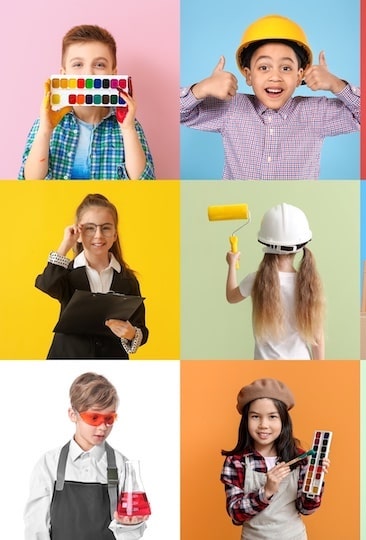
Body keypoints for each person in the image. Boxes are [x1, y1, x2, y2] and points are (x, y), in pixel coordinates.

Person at [180, 14, 361, 180]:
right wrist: (202, 88)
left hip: (294, 211)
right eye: (264, 67)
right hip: (241, 209)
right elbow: (179, 113)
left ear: (299, 76)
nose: (275, 77)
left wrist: (336, 85)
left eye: (286, 68)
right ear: (248, 75)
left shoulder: (315, 112)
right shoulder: (231, 108)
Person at [19, 24, 154, 180]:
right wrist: (45, 130)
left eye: (99, 65)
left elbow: (145, 185)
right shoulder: (45, 124)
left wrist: (128, 129)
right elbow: (29, 186)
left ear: (113, 74)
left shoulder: (129, 126)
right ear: (63, 74)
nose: (88, 73)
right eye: (78, 65)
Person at [25, 372, 149, 539]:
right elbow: (36, 529)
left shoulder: (121, 466)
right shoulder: (49, 464)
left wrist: (131, 526)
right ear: (73, 415)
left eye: (109, 418)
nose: (103, 427)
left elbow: (131, 533)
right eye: (94, 418)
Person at [35, 193, 148, 359]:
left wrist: (131, 333)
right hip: (68, 359)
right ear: (79, 234)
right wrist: (65, 245)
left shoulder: (128, 279)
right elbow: (47, 284)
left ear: (115, 234)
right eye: (90, 228)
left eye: (106, 228)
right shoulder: (67, 273)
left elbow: (141, 328)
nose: (98, 235)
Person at [221, 378, 329, 539]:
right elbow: (236, 514)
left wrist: (315, 480)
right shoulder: (236, 461)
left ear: (283, 421)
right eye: (255, 417)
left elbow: (306, 509)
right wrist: (266, 491)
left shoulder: (300, 458)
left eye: (272, 417)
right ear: (246, 421)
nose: (264, 424)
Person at [226, 203, 325, 360]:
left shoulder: (255, 280)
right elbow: (317, 337)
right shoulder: (308, 284)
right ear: (301, 245)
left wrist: (232, 265)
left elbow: (231, 296)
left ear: (266, 242)